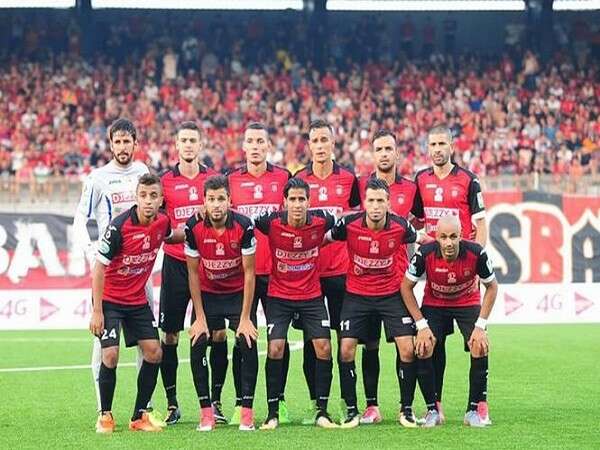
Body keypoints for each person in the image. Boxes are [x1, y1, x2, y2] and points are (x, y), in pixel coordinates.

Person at [329, 178, 439, 428]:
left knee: (407, 349)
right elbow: (322, 239)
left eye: (380, 201)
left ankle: (406, 409)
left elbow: (423, 239)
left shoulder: (401, 226)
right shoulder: (348, 224)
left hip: (391, 294)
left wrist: (450, 244)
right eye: (371, 200)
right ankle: (351, 410)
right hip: (356, 295)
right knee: (346, 349)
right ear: (364, 203)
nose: (376, 206)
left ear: (388, 203)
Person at [73, 118, 162, 425]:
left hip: (140, 275)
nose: (123, 147)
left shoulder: (143, 172)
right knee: (104, 347)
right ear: (110, 144)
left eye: (127, 141)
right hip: (110, 271)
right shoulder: (97, 178)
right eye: (118, 142)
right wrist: (92, 253)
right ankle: (104, 410)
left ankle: (144, 409)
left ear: (135, 143)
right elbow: (80, 220)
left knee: (148, 342)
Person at [90, 174, 185, 433]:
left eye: (153, 196)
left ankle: (139, 416)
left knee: (154, 352)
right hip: (110, 300)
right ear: (136, 197)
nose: (148, 201)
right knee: (110, 355)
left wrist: (196, 227)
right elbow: (99, 268)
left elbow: (172, 236)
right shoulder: (119, 227)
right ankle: (105, 415)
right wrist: (97, 311)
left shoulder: (163, 222)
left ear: (161, 199)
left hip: (136, 301)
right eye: (143, 195)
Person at [413, 124, 488, 420]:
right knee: (434, 343)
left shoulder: (468, 180)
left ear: (452, 147)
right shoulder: (421, 180)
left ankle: (480, 404)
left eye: (442, 143)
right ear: (428, 148)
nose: (437, 149)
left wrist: (477, 260)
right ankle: (436, 405)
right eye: (433, 144)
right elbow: (415, 221)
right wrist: (418, 240)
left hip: (465, 275)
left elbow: (480, 224)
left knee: (478, 342)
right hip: (435, 277)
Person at [254, 177, 338, 430]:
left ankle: (322, 411)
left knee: (324, 347)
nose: (298, 204)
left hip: (311, 295)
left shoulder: (322, 220)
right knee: (275, 348)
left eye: (302, 199)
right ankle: (272, 413)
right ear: (285, 202)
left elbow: (345, 221)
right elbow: (244, 223)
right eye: (293, 199)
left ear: (309, 202)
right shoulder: (271, 222)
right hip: (279, 295)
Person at [401, 215, 498, 427]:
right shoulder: (424, 253)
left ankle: (473, 411)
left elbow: (492, 287)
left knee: (479, 345)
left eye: (453, 237)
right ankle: (432, 410)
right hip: (435, 303)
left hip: (466, 302)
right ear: (436, 237)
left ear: (461, 236)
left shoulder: (476, 253)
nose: (448, 243)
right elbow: (405, 287)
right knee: (424, 347)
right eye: (443, 237)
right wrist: (421, 325)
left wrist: (480, 326)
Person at [295, 119, 360, 423]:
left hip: (342, 273)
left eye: (325, 140)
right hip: (309, 275)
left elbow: (357, 221)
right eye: (315, 140)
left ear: (333, 143)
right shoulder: (299, 180)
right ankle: (316, 404)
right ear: (309, 145)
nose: (320, 146)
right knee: (314, 343)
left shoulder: (349, 179)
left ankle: (348, 402)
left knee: (345, 341)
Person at [227, 122, 292, 424]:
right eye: (250, 141)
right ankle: (242, 403)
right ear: (244, 147)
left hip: (276, 273)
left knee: (278, 340)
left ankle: (279, 401)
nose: (255, 146)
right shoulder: (231, 180)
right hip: (244, 275)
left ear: (268, 145)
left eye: (260, 141)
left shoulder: (283, 178)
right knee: (244, 339)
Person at [356, 129, 421, 424]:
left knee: (405, 344)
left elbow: (420, 224)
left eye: (388, 149)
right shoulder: (360, 185)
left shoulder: (412, 189)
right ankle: (372, 406)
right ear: (372, 154)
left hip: (398, 282)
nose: (384, 154)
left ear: (397, 153)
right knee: (369, 344)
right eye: (379, 149)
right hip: (367, 282)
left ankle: (405, 407)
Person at [184, 175, 259, 432]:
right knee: (198, 341)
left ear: (229, 200)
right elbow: (192, 273)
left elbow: (250, 273)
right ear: (204, 202)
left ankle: (247, 412)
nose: (216, 204)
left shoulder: (244, 226)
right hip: (208, 293)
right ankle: (207, 413)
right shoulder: (193, 227)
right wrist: (199, 317)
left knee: (248, 340)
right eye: (211, 199)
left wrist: (245, 318)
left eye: (221, 199)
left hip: (237, 293)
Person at [158, 121, 217, 425]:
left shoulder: (213, 179)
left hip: (206, 266)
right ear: (177, 145)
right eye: (184, 140)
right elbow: (162, 231)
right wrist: (190, 226)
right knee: (170, 335)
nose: (189, 145)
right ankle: (172, 403)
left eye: (193, 140)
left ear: (200, 144)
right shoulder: (165, 182)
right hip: (175, 265)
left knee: (209, 333)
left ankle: (213, 403)